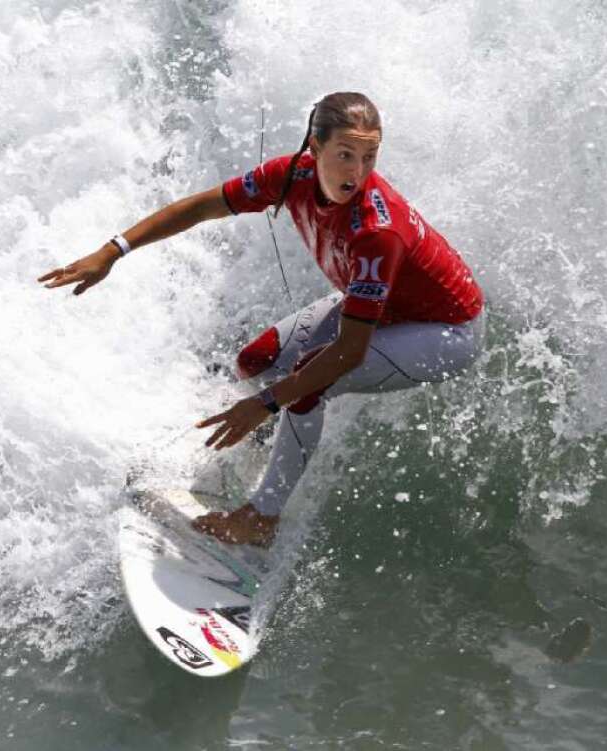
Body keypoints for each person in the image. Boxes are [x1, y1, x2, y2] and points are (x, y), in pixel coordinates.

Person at [39, 92, 484, 547]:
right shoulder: (289, 175)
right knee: (256, 361)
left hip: (443, 331)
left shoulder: (376, 233)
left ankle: (261, 518)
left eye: (369, 157)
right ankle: (267, 448)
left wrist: (267, 403)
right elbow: (200, 207)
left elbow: (348, 353)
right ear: (314, 146)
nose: (358, 171)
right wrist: (113, 251)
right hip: (385, 306)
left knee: (308, 382)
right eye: (345, 155)